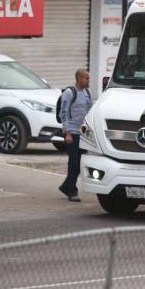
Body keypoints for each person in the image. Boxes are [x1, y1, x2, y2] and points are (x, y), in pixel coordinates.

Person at [58, 69, 93, 202]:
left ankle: (66, 186)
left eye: (89, 78)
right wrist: (67, 133)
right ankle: (71, 190)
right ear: (79, 79)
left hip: (83, 134)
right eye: (86, 78)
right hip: (71, 133)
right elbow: (64, 112)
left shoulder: (87, 93)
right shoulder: (69, 93)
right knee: (74, 163)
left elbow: (89, 112)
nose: (88, 80)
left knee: (80, 163)